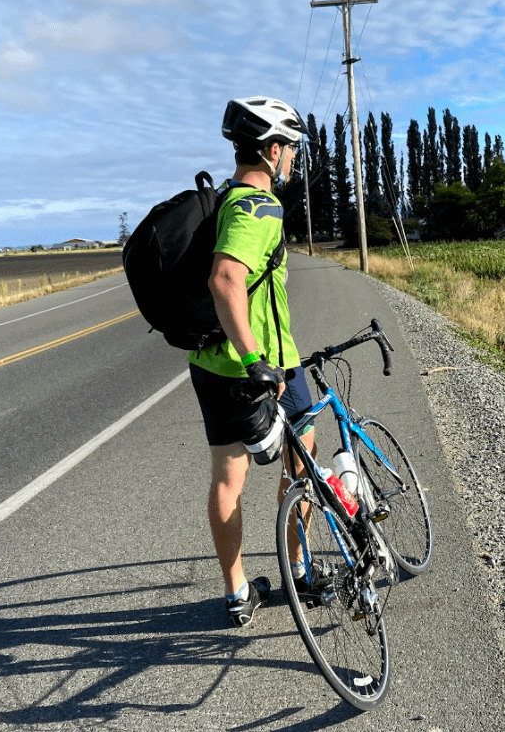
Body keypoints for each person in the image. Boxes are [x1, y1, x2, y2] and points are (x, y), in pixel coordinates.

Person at [188, 96, 316, 627]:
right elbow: (225, 279)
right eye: (290, 150)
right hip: (264, 366)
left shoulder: (220, 200)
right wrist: (255, 359)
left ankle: (238, 592)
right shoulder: (258, 208)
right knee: (302, 465)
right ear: (272, 150)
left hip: (210, 363)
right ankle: (299, 570)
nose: (292, 161)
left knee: (228, 476)